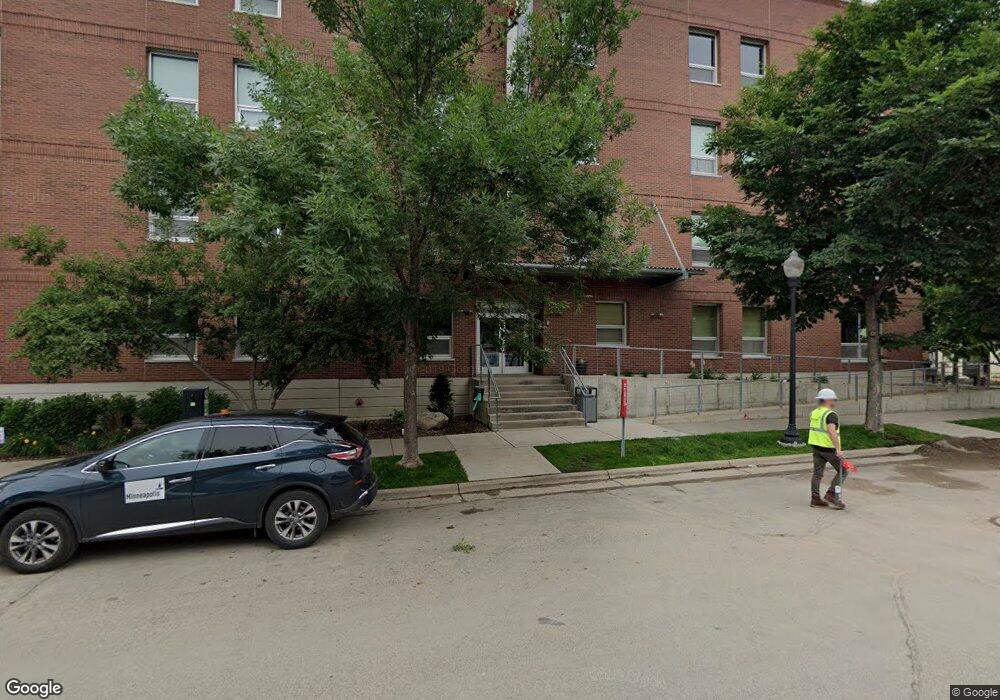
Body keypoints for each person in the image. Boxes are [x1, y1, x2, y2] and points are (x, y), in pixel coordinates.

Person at [807, 388, 846, 510]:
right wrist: (838, 449)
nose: (834, 401)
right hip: (829, 449)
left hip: (816, 448)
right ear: (827, 400)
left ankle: (815, 499)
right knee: (844, 470)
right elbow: (831, 431)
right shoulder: (831, 415)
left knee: (817, 474)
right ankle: (832, 495)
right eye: (833, 399)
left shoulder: (814, 413)